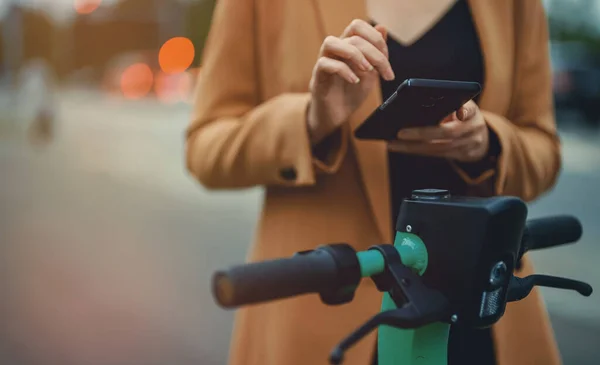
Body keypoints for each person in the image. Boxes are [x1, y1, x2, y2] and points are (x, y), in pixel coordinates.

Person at [185, 0, 562, 364]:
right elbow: (205, 149)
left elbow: (544, 153)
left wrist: (489, 144)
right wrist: (312, 120)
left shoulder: (517, 5)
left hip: (482, 308)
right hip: (328, 308)